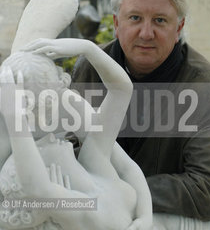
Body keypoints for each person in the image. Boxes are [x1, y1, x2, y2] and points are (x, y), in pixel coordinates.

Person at [71, 0, 210, 222]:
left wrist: (122, 192)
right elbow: (66, 148)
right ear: (117, 23)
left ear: (178, 28)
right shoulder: (90, 68)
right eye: (135, 18)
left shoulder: (204, 86)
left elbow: (207, 188)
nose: (146, 33)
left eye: (160, 20)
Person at [0, 40, 153, 230]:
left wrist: (88, 49)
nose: (52, 137)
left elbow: (122, 90)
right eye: (40, 151)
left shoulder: (93, 164)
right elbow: (37, 188)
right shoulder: (83, 205)